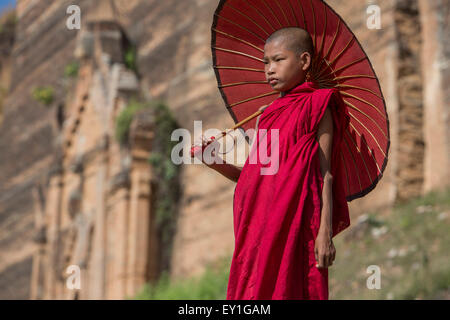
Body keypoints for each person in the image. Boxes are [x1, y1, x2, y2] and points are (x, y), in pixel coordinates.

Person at [191, 27, 351, 300]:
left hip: (296, 223)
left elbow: (326, 175)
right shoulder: (266, 116)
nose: (269, 69)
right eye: (266, 62)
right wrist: (215, 161)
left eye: (278, 60)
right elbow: (258, 176)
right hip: (259, 225)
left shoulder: (320, 104)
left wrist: (325, 232)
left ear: (304, 61)